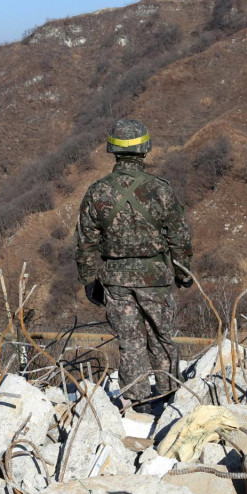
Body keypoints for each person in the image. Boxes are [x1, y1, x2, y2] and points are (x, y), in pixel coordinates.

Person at [75, 118, 193, 412]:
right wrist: (182, 273)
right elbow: (179, 236)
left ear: (113, 150)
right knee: (161, 338)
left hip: (116, 280)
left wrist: (90, 280)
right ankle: (169, 399)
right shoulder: (161, 190)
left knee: (129, 342)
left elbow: (86, 242)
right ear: (145, 149)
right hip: (156, 278)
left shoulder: (97, 192)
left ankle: (139, 403)